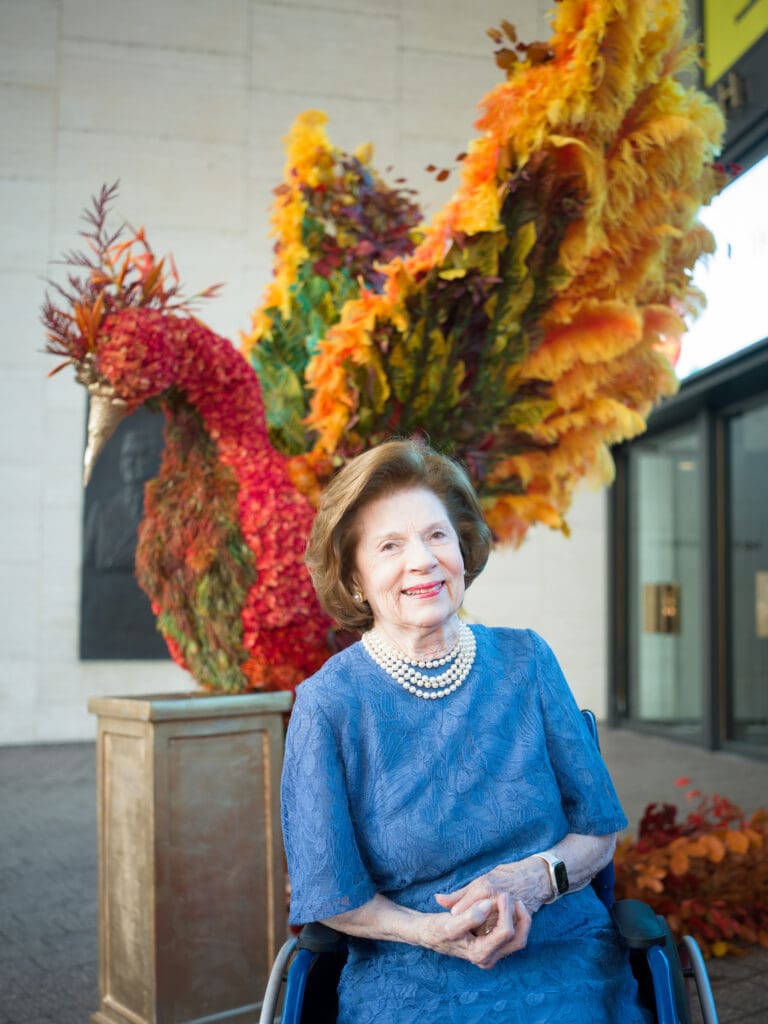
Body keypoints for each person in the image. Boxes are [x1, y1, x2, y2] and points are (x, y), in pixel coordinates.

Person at [281, 439, 649, 1023]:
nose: (422, 560)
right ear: (355, 577)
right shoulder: (329, 705)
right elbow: (332, 896)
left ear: (461, 547)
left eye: (436, 536)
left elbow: (598, 833)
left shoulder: (527, 661)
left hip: (559, 952)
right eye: (390, 546)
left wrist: (535, 879)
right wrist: (434, 932)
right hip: (409, 967)